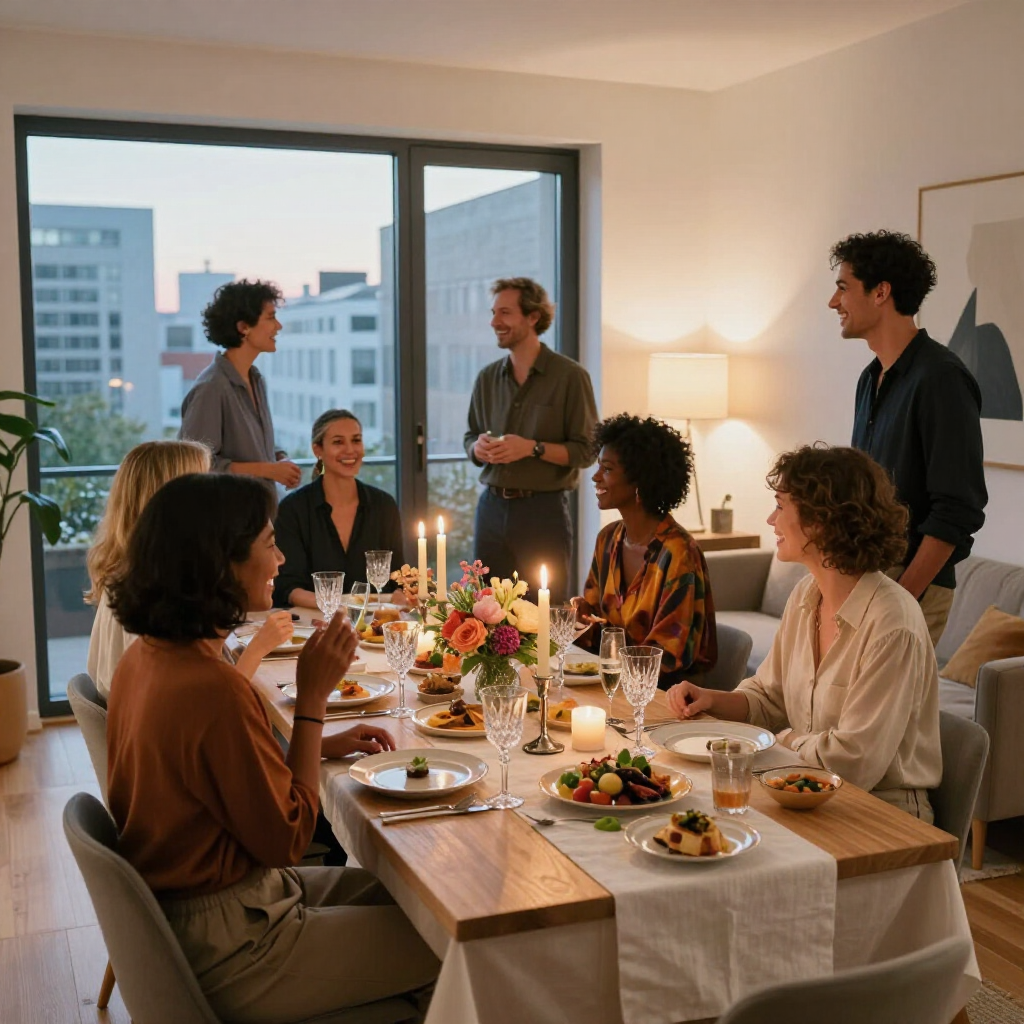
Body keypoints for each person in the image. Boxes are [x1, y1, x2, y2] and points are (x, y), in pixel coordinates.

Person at [105, 473, 438, 1022]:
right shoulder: (211, 687)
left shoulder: (146, 658)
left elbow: (217, 780)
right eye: (268, 544)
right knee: (455, 947)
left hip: (209, 906)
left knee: (419, 905)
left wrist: (321, 742)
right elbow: (288, 836)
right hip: (240, 942)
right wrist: (311, 701)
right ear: (221, 565)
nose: (282, 560)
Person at [667, 444, 942, 821]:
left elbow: (854, 763)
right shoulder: (806, 595)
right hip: (800, 787)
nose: (770, 519)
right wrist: (711, 700)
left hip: (880, 812)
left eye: (780, 506)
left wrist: (781, 740)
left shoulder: (892, 625)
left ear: (821, 520)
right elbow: (769, 697)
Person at [829, 230, 987, 644]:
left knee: (890, 711)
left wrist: (901, 594)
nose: (834, 302)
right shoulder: (870, 379)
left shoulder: (941, 379)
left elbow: (958, 510)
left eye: (843, 288)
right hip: (870, 580)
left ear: (881, 292)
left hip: (910, 586)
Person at [85, 440, 294, 698]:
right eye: (203, 479)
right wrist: (257, 648)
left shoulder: (132, 579)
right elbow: (210, 704)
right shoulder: (153, 606)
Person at [464, 277, 598, 603]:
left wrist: (532, 448)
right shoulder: (487, 378)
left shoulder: (570, 377)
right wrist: (476, 448)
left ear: (533, 317)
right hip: (491, 509)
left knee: (545, 612)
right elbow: (470, 436)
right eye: (494, 312)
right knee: (487, 612)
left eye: (505, 313)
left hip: (543, 512)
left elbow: (587, 451)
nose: (494, 322)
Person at [572, 414, 717, 689]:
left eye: (607, 469)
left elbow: (667, 656)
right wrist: (581, 615)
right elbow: (594, 629)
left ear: (640, 479)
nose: (595, 476)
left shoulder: (679, 554)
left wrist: (605, 657)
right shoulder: (608, 539)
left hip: (667, 696)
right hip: (611, 684)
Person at [180, 278, 301, 495]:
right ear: (244, 327)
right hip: (228, 522)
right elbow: (195, 465)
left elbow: (254, 447)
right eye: (271, 317)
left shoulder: (256, 380)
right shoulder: (211, 388)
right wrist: (269, 470)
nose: (279, 326)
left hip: (258, 515)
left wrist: (279, 458)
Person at [274, 409, 404, 607]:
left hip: (375, 624)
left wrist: (403, 595)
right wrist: (339, 608)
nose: (350, 450)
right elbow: (288, 587)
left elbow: (398, 578)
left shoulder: (384, 505)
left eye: (356, 440)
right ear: (317, 449)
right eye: (338, 442)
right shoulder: (293, 509)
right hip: (315, 624)